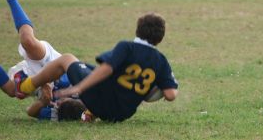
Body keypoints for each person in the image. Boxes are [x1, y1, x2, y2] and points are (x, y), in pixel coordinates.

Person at [14, 13, 179, 123]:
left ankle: (26, 85)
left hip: (100, 102)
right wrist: (147, 91)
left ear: (137, 30)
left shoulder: (127, 47)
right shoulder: (161, 61)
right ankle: (89, 113)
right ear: (160, 39)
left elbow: (106, 69)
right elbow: (171, 95)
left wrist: (79, 87)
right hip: (121, 115)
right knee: (97, 72)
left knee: (67, 59)